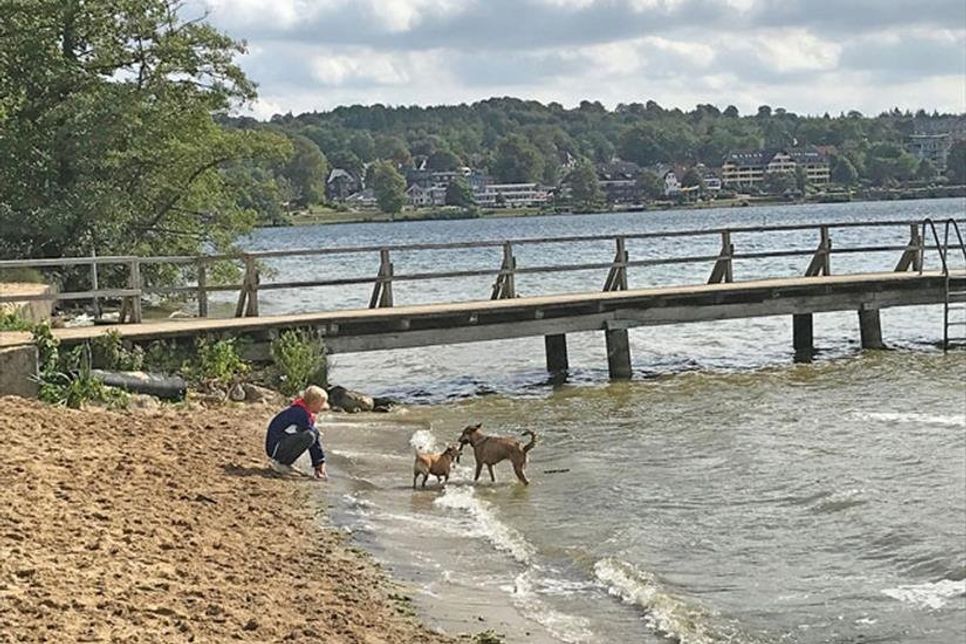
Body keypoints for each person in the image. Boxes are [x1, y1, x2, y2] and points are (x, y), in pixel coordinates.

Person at [265, 385, 329, 479]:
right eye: (321, 404)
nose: (323, 407)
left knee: (313, 433)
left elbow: (315, 435)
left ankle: (284, 462)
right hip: (276, 447)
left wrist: (319, 462)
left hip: (280, 443)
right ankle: (281, 463)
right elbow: (312, 437)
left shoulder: (302, 410)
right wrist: (319, 463)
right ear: (314, 403)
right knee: (309, 436)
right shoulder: (300, 414)